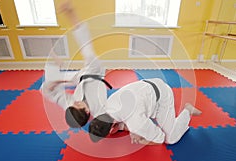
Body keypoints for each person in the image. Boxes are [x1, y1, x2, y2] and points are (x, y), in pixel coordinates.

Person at [40, 0, 111, 128]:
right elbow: (118, 114)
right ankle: (71, 12)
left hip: (79, 77)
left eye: (74, 104)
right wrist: (119, 127)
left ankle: (55, 63)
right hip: (95, 72)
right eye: (79, 105)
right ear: (87, 111)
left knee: (49, 82)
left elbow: (48, 92)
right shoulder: (100, 109)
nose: (76, 102)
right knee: (88, 52)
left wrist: (60, 81)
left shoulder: (72, 106)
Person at [89, 78, 202, 145]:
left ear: (112, 127)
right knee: (133, 126)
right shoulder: (108, 105)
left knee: (170, 139)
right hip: (146, 85)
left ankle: (187, 110)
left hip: (162, 96)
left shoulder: (135, 123)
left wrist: (143, 140)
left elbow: (160, 139)